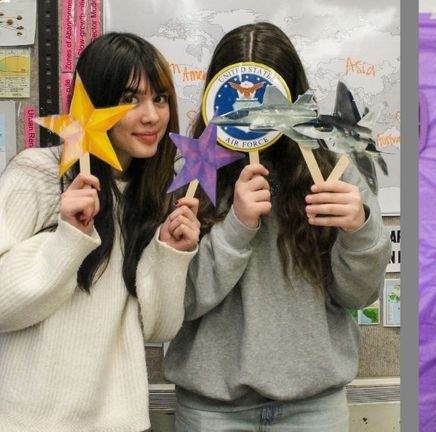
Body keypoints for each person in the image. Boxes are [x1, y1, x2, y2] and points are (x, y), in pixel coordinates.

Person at [164, 22, 391, 431]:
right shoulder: (189, 175)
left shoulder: (331, 173)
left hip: (313, 409)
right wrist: (237, 225)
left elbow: (358, 294)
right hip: (212, 411)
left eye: (268, 103)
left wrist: (359, 229)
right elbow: (176, 306)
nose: (256, 116)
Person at [0, 32, 200, 432]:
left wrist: (170, 253)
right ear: (94, 103)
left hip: (122, 422)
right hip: (32, 422)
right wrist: (68, 236)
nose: (151, 116)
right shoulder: (38, 174)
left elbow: (160, 328)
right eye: (130, 99)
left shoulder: (154, 195)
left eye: (160, 98)